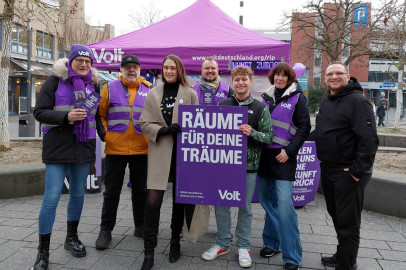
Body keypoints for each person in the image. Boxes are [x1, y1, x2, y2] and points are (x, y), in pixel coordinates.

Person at [31, 44, 100, 270]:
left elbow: (97, 116)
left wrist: (107, 135)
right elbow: (39, 112)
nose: (83, 64)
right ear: (70, 62)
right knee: (51, 198)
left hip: (83, 145)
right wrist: (66, 116)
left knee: (78, 194)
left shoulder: (94, 84)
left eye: (87, 61)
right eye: (79, 60)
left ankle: (71, 238)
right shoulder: (54, 81)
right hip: (58, 146)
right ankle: (43, 252)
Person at [201, 66, 273, 268]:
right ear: (232, 82)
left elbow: (268, 137)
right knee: (221, 205)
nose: (240, 83)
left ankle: (243, 245)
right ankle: (223, 243)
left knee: (245, 208)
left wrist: (253, 133)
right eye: (237, 80)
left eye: (244, 79)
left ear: (250, 81)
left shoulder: (260, 108)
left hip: (248, 167)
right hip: (224, 166)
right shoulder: (223, 104)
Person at [315, 62, 378, 270]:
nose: (334, 77)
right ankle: (342, 254)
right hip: (329, 169)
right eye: (330, 74)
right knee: (337, 216)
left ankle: (348, 264)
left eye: (338, 73)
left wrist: (356, 172)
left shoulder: (358, 102)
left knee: (348, 221)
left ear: (347, 76)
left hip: (347, 172)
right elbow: (322, 132)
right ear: (325, 78)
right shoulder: (327, 100)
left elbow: (369, 141)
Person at [138, 55, 199, 270]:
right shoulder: (153, 93)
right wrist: (162, 130)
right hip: (160, 152)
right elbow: (143, 122)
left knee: (179, 201)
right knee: (153, 201)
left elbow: (198, 124)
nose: (169, 71)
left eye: (173, 67)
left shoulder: (190, 94)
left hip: (182, 155)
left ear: (179, 70)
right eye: (166, 68)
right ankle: (149, 251)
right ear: (162, 70)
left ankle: (175, 241)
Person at [257, 62, 311, 270]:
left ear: (290, 78)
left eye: (284, 75)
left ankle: (292, 256)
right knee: (266, 200)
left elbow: (305, 127)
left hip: (284, 157)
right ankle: (272, 242)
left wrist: (289, 151)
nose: (280, 78)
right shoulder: (265, 97)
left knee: (285, 205)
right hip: (265, 156)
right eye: (276, 75)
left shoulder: (298, 97)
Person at [95, 55, 151, 249]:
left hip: (141, 149)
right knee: (111, 192)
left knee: (141, 191)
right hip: (115, 148)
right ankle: (105, 230)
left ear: (140, 68)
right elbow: (100, 115)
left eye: (135, 66)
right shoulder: (108, 88)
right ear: (122, 69)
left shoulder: (149, 90)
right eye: (128, 67)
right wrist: (105, 135)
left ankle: (141, 225)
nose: (132, 70)